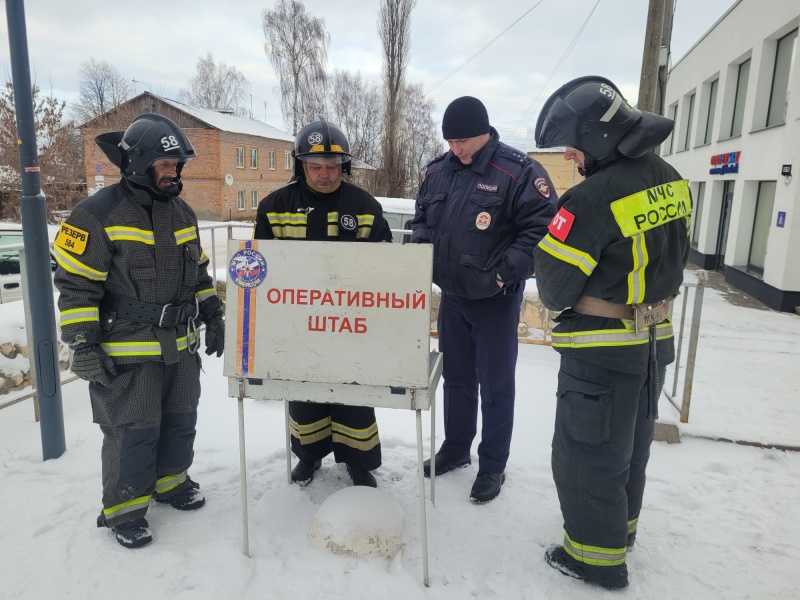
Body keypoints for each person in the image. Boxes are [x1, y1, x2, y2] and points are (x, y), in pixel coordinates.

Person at [532, 76, 691, 590]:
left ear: (599, 140)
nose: (572, 158)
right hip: (653, 344)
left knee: (587, 454)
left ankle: (594, 561)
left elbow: (554, 287)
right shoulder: (669, 176)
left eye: (574, 147)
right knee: (630, 449)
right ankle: (618, 533)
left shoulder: (591, 198)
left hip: (601, 353)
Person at [53, 113, 224, 549]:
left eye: (178, 165)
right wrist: (82, 343)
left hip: (181, 348)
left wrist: (213, 314)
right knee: (133, 430)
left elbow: (199, 272)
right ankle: (124, 510)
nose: (175, 173)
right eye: (167, 165)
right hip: (128, 350)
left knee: (181, 421)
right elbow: (75, 287)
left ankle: (171, 483)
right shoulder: (94, 214)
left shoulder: (183, 212)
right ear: (138, 163)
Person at [410, 96, 557, 503]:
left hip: (495, 300)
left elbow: (543, 228)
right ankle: (456, 449)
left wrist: (501, 274)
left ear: (485, 131)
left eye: (464, 140)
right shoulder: (437, 171)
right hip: (453, 297)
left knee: (495, 388)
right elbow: (420, 216)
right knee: (456, 380)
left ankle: (492, 465)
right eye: (451, 140)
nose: (457, 148)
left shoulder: (517, 171)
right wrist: (423, 246)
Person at [253, 116, 392, 488]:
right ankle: (309, 457)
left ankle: (358, 462)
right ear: (301, 165)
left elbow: (385, 267)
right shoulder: (273, 207)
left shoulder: (365, 206)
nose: (325, 174)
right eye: (315, 166)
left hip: (351, 326)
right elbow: (261, 272)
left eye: (332, 167)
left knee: (354, 396)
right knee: (304, 397)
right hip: (298, 327)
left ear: (343, 167)